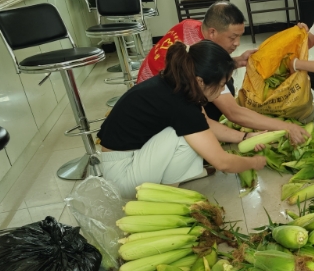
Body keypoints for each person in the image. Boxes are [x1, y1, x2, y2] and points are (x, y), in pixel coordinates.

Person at [99, 40, 267, 198]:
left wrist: (245, 137)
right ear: (200, 81)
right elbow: (222, 163)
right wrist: (253, 162)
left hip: (124, 160)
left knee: (196, 131)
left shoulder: (175, 83)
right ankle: (166, 194)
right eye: (222, 84)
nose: (223, 89)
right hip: (121, 175)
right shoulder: (181, 104)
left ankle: (171, 179)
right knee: (184, 137)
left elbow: (205, 124)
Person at [137, 1, 309, 145]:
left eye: (240, 37)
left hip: (146, 91)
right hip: (156, 118)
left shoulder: (189, 26)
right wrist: (286, 127)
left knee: (224, 77)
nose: (237, 43)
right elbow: (233, 113)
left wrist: (237, 61)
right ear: (212, 32)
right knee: (224, 84)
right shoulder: (196, 57)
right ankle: (200, 137)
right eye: (232, 37)